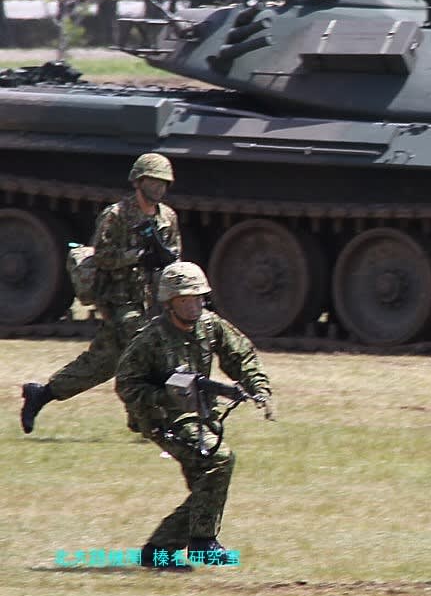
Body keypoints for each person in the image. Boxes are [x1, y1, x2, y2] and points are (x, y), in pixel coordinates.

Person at [115, 261, 275, 570]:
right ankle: (191, 544)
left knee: (206, 483)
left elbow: (241, 355)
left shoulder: (211, 325)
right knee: (220, 461)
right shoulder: (151, 338)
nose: (194, 305)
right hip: (163, 419)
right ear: (169, 303)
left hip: (201, 416)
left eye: (199, 298)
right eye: (186, 300)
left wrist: (259, 389)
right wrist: (165, 395)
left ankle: (167, 550)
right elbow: (126, 384)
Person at [20, 152, 181, 434]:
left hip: (148, 300)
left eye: (164, 183)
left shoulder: (167, 217)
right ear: (138, 181)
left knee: (102, 363)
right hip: (117, 299)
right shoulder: (116, 215)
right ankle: (147, 419)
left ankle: (41, 394)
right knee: (146, 350)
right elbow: (102, 256)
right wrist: (137, 256)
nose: (159, 188)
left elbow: (174, 256)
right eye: (154, 182)